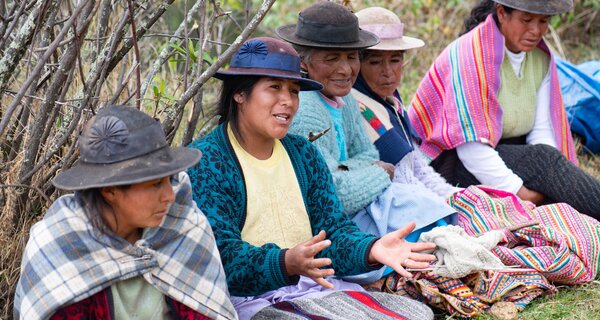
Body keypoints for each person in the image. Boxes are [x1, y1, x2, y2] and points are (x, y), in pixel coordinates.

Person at [187, 36, 436, 320]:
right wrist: (286, 263)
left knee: (418, 314)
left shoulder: (303, 154)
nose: (288, 102)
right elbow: (224, 259)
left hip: (316, 287)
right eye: (274, 88)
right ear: (239, 94)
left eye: (293, 91)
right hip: (252, 299)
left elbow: (335, 231)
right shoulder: (207, 161)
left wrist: (371, 248)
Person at [14, 106, 236, 319]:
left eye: (170, 179)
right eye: (156, 184)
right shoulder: (60, 246)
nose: (170, 195)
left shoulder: (182, 226)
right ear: (110, 190)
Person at [278, 1, 455, 253]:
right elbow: (332, 194)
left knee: (430, 218)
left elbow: (367, 155)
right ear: (304, 63)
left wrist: (346, 169)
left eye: (351, 57)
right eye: (331, 59)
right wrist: (380, 172)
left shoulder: (345, 99)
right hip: (325, 227)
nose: (345, 69)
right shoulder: (306, 108)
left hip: (357, 205)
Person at [408, 0, 600, 218]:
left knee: (552, 178)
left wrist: (547, 183)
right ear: (502, 13)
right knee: (545, 165)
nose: (536, 30)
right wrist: (521, 194)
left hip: (506, 154)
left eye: (543, 21)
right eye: (526, 20)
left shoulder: (540, 58)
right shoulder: (470, 54)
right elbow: (471, 149)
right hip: (451, 165)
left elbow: (541, 131)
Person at [352, 7, 461, 208]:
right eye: (375, 62)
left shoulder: (390, 102)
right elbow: (405, 181)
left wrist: (454, 196)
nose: (388, 72)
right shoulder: (360, 108)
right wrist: (448, 205)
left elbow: (418, 168)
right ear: (356, 65)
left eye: (395, 60)